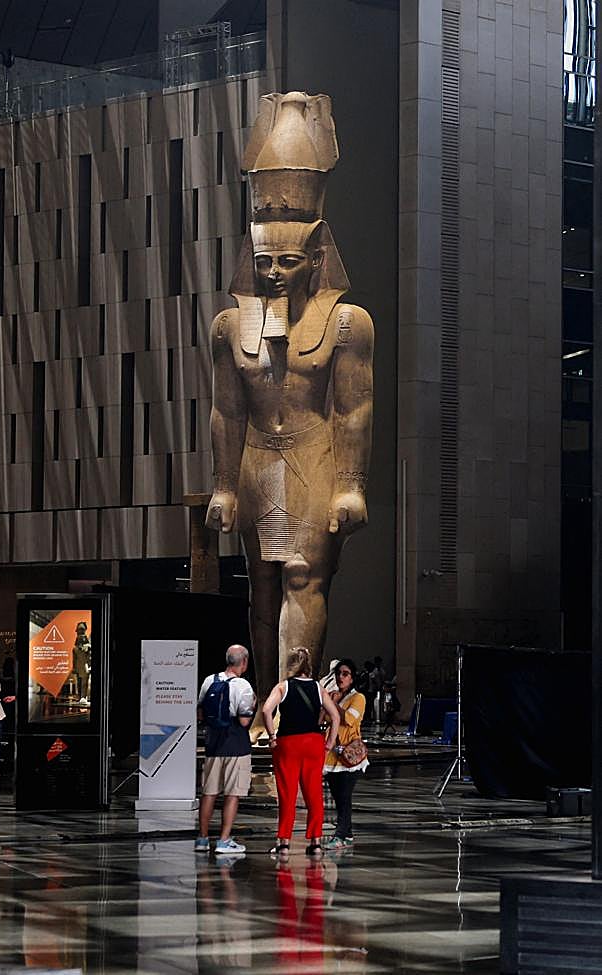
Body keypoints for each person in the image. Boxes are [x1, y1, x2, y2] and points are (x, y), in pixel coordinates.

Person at [206, 92, 374, 723]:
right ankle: (259, 711)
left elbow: (354, 410)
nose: (275, 274)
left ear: (316, 258)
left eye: (288, 261)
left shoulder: (347, 322)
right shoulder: (229, 326)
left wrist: (351, 486)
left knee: (305, 579)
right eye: (264, 262)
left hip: (314, 455)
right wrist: (222, 485)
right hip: (254, 461)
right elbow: (227, 411)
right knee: (263, 585)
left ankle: (295, 709)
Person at [262, 647, 340, 857]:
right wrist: (330, 742)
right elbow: (335, 716)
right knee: (313, 793)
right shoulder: (318, 687)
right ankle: (315, 842)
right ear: (309, 665)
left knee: (287, 793)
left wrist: (271, 736)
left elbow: (266, 710)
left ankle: (284, 842)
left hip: (288, 742)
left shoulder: (283, 687)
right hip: (314, 742)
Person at [195, 645, 256, 856]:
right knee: (232, 793)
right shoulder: (244, 686)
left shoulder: (209, 680)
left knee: (209, 792)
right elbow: (244, 720)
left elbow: (200, 713)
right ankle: (223, 841)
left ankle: (202, 839)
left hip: (213, 743)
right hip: (236, 743)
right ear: (244, 662)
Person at [324, 659, 369, 849]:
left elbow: (349, 719)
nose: (340, 677)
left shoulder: (358, 698)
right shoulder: (334, 696)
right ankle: (347, 833)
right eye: (338, 673)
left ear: (352, 678)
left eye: (345, 674)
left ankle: (340, 834)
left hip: (350, 755)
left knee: (344, 795)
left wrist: (334, 705)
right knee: (337, 795)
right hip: (333, 755)